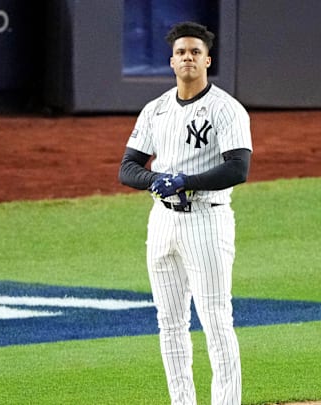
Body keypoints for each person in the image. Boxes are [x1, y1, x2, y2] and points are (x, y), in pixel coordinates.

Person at [119, 21, 252, 405]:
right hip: (162, 222)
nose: (188, 58)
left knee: (215, 320)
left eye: (195, 52)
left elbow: (237, 168)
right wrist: (155, 180)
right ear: (171, 61)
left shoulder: (226, 109)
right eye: (181, 53)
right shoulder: (156, 109)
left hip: (207, 220)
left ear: (207, 60)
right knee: (170, 323)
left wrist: (185, 181)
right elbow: (127, 167)